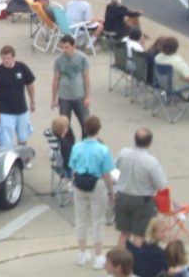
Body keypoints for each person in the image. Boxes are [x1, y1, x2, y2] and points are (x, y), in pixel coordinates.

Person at [69, 115, 116, 270]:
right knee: (98, 221)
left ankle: (82, 253)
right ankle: (98, 255)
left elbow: (73, 169)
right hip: (97, 184)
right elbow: (107, 174)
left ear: (85, 129)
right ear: (98, 129)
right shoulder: (103, 149)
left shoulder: (77, 147)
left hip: (80, 183)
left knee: (80, 219)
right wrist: (111, 191)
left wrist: (73, 184)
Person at [114, 128, 168, 250]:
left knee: (124, 233)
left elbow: (114, 169)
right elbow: (161, 185)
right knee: (139, 234)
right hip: (142, 200)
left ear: (135, 139)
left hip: (123, 196)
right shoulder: (151, 161)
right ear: (150, 142)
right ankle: (135, 258)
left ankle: (120, 257)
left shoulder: (123, 153)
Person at [0, 45, 36, 150]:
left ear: (13, 57)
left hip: (22, 110)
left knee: (23, 137)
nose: (5, 61)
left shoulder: (22, 68)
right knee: (6, 140)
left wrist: (32, 101)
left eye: (8, 58)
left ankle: (22, 155)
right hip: (5, 112)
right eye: (3, 58)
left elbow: (30, 85)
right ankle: (8, 156)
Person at [51, 35, 92, 138]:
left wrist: (87, 97)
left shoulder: (82, 58)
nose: (64, 50)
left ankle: (85, 144)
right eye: (62, 47)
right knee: (64, 126)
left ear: (73, 46)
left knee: (85, 124)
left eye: (67, 47)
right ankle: (68, 144)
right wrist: (54, 98)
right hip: (64, 97)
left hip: (79, 96)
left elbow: (86, 77)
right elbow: (56, 79)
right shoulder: (59, 60)